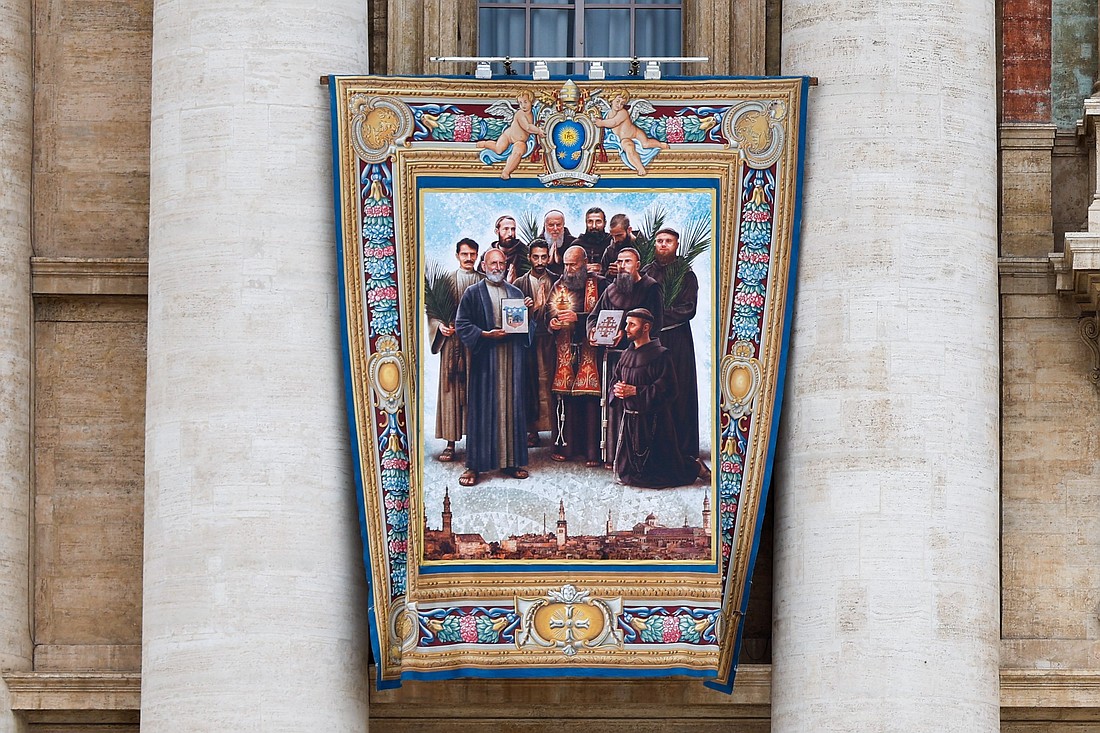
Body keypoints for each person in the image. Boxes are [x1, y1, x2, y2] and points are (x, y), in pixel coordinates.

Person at [454, 248, 534, 486]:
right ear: (484, 265)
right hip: (486, 360)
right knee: (482, 411)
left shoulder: (516, 292)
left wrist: (528, 313)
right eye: (493, 263)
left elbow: (525, 328)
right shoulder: (473, 293)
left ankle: (512, 461)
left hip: (512, 359)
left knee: (512, 408)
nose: (497, 267)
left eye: (501, 263)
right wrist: (485, 334)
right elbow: (462, 324)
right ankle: (474, 466)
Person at [608, 309, 704, 489]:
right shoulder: (625, 354)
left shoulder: (660, 354)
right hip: (630, 420)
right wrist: (618, 389)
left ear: (646, 328)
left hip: (655, 423)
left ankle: (695, 467)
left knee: (661, 476)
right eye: (626, 323)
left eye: (632, 324)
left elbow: (668, 389)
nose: (626, 328)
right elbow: (616, 379)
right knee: (630, 475)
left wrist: (636, 391)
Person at [586, 247, 663, 465]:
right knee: (612, 405)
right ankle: (611, 456)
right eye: (619, 262)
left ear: (638, 264)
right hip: (611, 358)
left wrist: (629, 337)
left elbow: (655, 324)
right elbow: (594, 317)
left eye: (627, 261)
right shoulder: (611, 289)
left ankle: (633, 459)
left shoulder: (650, 288)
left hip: (639, 360)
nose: (622, 266)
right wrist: (592, 331)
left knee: (632, 406)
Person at [641, 227, 701, 462]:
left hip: (677, 339)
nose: (663, 245)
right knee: (652, 388)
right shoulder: (646, 272)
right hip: (651, 340)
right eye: (659, 241)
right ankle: (653, 448)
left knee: (679, 388)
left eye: (668, 241)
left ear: (676, 245)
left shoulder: (685, 274)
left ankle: (683, 448)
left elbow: (688, 308)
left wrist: (657, 316)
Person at [547, 245, 606, 467]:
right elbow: (548, 313)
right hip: (564, 348)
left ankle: (592, 451)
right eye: (566, 265)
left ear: (584, 262)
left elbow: (604, 314)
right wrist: (551, 322)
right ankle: (566, 447)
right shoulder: (559, 285)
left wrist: (578, 318)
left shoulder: (600, 284)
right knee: (565, 399)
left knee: (590, 400)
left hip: (591, 349)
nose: (569, 269)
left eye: (573, 264)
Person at [429, 238, 483, 463]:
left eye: (472, 254)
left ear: (477, 255)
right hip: (452, 345)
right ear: (457, 255)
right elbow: (433, 313)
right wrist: (440, 326)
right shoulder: (446, 281)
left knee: (476, 392)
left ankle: (476, 443)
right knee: (451, 393)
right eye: (465, 254)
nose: (469, 258)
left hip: (476, 345)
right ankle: (450, 444)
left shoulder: (484, 281)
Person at [513, 239, 556, 447]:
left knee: (551, 382)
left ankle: (556, 428)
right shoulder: (519, 284)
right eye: (536, 257)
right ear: (529, 258)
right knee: (530, 383)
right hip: (528, 341)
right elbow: (512, 319)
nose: (540, 261)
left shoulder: (557, 281)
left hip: (551, 339)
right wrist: (528, 309)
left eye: (544, 257)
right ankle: (532, 430)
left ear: (549, 257)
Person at [592, 89, 669, 175]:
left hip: (636, 134)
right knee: (629, 147)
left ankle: (661, 144)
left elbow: (614, 122)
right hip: (624, 139)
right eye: (617, 101)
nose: (619, 105)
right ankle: (639, 167)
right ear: (611, 100)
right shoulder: (607, 114)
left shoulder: (623, 112)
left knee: (646, 144)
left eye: (622, 104)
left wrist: (601, 123)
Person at [477, 89, 545, 180]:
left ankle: (506, 171)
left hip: (520, 141)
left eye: (525, 102)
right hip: (508, 136)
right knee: (499, 149)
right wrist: (538, 131)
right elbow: (527, 127)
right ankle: (485, 144)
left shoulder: (534, 113)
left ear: (531, 101)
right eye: (520, 103)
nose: (523, 105)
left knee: (518, 152)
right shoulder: (520, 114)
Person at [477, 214, 525, 281]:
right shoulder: (487, 255)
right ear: (497, 231)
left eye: (513, 229)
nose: (510, 233)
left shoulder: (524, 253)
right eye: (505, 229)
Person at [575, 207, 612, 275]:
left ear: (605, 223)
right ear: (586, 223)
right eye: (590, 221)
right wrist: (582, 268)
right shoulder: (577, 244)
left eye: (598, 222)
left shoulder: (612, 242)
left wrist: (603, 269)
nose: (594, 226)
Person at [540, 209, 575, 276]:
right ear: (545, 225)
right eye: (551, 225)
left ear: (563, 225)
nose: (555, 229)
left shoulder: (573, 243)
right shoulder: (535, 246)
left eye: (558, 225)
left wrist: (560, 261)